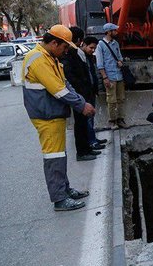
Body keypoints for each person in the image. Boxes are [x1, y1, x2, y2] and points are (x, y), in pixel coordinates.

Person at [22, 25, 96, 211]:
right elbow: (59, 91)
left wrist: (81, 101)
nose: (65, 52)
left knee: (60, 155)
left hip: (53, 114)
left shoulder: (50, 58)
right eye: (64, 47)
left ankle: (65, 189)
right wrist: (82, 105)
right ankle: (59, 198)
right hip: (46, 116)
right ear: (54, 43)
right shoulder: (39, 60)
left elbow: (65, 83)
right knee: (54, 157)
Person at [61, 27, 101, 161]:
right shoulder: (71, 54)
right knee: (81, 124)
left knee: (84, 123)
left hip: (83, 93)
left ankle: (87, 148)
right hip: (79, 94)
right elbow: (72, 77)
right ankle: (82, 152)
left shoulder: (75, 53)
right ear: (79, 40)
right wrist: (81, 93)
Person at [96, 22, 128, 130]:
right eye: (114, 30)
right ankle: (112, 120)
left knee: (121, 99)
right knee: (111, 100)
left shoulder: (116, 44)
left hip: (119, 76)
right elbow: (100, 63)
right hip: (110, 77)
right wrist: (105, 77)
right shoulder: (100, 45)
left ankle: (120, 119)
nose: (116, 32)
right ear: (108, 32)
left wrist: (120, 62)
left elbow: (120, 57)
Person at [81, 36, 108, 151]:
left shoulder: (90, 57)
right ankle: (91, 142)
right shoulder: (80, 58)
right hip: (85, 92)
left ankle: (93, 139)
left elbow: (93, 74)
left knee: (91, 117)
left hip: (91, 91)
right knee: (87, 118)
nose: (93, 50)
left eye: (94, 48)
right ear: (84, 45)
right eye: (91, 47)